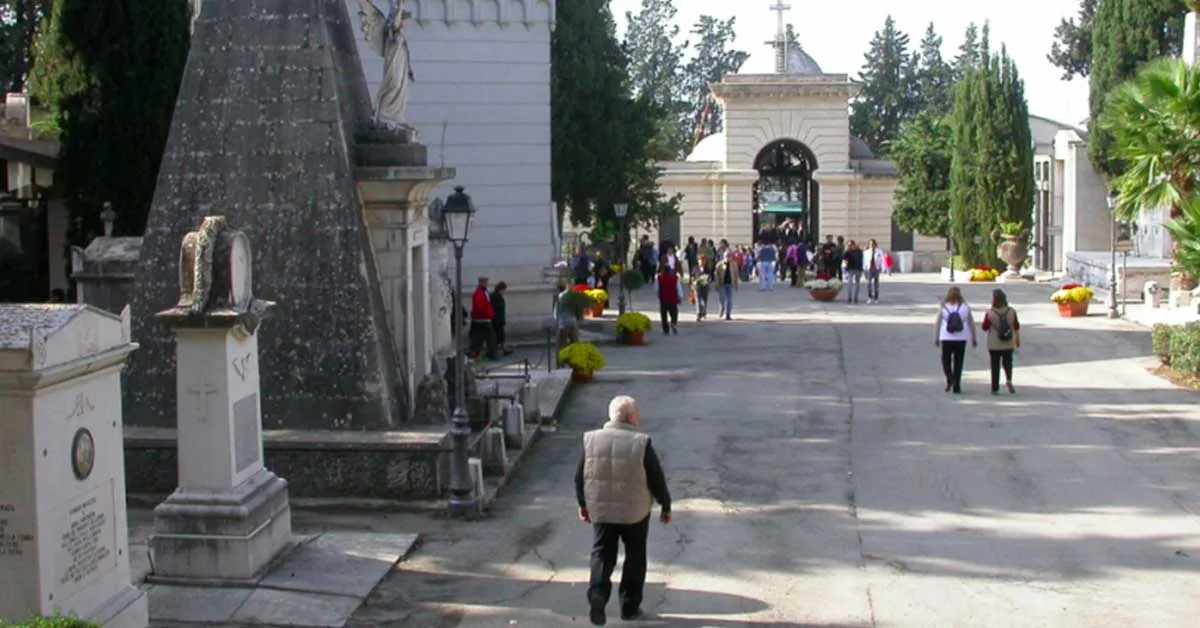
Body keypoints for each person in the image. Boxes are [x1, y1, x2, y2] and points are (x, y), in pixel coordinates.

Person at [576, 395, 672, 625]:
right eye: (637, 412)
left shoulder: (590, 440)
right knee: (635, 556)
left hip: (601, 508)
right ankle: (629, 607)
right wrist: (665, 505)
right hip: (635, 512)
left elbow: (580, 476)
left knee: (602, 552)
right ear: (631, 417)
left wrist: (583, 504)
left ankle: (598, 593)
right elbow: (656, 477)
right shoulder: (641, 442)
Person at [934, 286, 977, 394]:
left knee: (946, 360)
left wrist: (936, 337)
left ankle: (950, 378)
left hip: (946, 337)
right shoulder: (965, 307)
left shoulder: (944, 307)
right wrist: (974, 337)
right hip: (961, 338)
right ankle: (957, 385)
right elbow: (971, 323)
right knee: (959, 362)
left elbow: (938, 323)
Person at [982, 289, 1021, 395]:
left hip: (994, 343)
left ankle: (995, 388)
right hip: (1008, 342)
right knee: (1008, 362)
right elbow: (1016, 326)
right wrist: (1017, 339)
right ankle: (1009, 379)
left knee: (995, 365)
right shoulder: (1011, 311)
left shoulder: (990, 313)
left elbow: (984, 327)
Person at [469, 277, 498, 360]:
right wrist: (488, 314)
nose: (486, 283)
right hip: (482, 320)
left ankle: (485, 354)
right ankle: (478, 354)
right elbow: (481, 307)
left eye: (486, 282)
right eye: (485, 282)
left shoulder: (484, 292)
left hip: (484, 319)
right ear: (481, 282)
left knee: (486, 338)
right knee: (483, 338)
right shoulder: (479, 293)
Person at [656, 259, 680, 335]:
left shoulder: (659, 278)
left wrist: (659, 295)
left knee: (664, 314)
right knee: (674, 312)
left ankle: (666, 329)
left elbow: (656, 288)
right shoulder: (675, 278)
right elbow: (678, 287)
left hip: (663, 298)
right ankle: (673, 322)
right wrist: (680, 296)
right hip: (673, 297)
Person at [715, 251, 740, 320]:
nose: (728, 258)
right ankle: (722, 308)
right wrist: (717, 284)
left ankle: (728, 314)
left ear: (731, 257)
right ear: (724, 256)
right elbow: (716, 275)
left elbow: (736, 275)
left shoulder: (734, 264)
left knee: (729, 300)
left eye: (729, 256)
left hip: (730, 284)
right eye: (726, 256)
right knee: (722, 299)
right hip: (722, 284)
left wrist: (736, 284)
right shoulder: (719, 264)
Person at [556, 283, 580, 350]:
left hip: (564, 322)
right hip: (569, 322)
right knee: (573, 342)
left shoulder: (560, 295)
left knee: (564, 344)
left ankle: (565, 355)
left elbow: (556, 310)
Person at [491, 281, 512, 356]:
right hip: (496, 320)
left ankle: (503, 349)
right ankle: (497, 351)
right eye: (504, 290)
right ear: (500, 289)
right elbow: (494, 308)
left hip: (499, 320)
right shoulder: (495, 297)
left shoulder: (498, 296)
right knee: (497, 336)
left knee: (501, 336)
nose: (504, 291)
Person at [863, 239, 886, 303]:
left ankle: (876, 298)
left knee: (876, 284)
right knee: (869, 284)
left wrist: (883, 268)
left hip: (876, 269)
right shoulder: (866, 252)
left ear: (875, 245)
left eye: (873, 244)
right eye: (870, 244)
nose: (871, 245)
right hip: (869, 269)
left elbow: (883, 260)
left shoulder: (879, 251)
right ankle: (869, 297)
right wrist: (864, 269)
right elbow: (864, 261)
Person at [693, 255, 714, 321]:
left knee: (704, 300)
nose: (701, 261)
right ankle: (698, 314)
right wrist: (693, 283)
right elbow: (693, 276)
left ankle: (704, 311)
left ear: (705, 261)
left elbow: (709, 277)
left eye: (702, 260)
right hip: (697, 286)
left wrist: (707, 281)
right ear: (698, 261)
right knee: (698, 300)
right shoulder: (695, 268)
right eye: (700, 260)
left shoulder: (707, 268)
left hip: (705, 286)